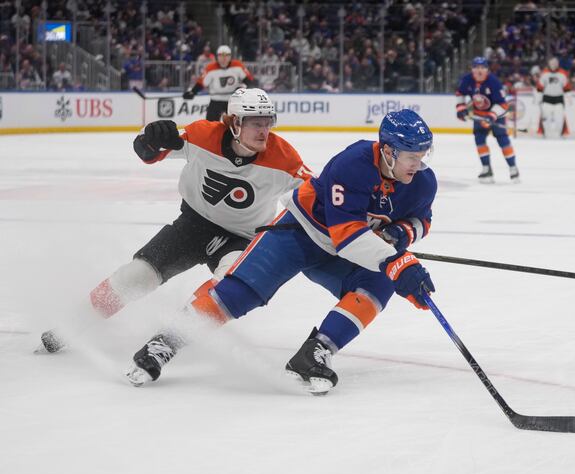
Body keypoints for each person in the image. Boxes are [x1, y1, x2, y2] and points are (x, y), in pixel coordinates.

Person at [125, 109, 438, 395]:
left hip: (343, 252)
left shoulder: (423, 182)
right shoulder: (354, 163)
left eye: (423, 155)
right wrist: (397, 261)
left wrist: (401, 234)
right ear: (387, 151)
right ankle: (163, 343)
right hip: (300, 233)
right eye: (412, 156)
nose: (419, 163)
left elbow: (422, 220)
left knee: (378, 284)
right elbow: (346, 235)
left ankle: (316, 352)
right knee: (238, 293)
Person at [37, 88, 310, 353]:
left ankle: (168, 342)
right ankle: (72, 325)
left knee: (227, 287)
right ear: (235, 123)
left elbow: (315, 192)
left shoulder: (284, 157)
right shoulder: (204, 135)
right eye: (256, 123)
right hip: (193, 226)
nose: (264, 131)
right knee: (136, 276)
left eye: (268, 122)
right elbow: (151, 152)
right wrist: (149, 141)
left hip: (241, 238)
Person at [455, 56, 519, 184]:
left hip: (497, 116)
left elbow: (503, 105)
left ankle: (513, 168)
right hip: (479, 116)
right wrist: (460, 108)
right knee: (479, 140)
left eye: (482, 68)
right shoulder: (467, 79)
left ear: (487, 70)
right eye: (476, 67)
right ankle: (486, 168)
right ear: (472, 69)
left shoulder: (494, 82)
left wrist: (491, 116)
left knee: (503, 140)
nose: (479, 71)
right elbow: (460, 93)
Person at [183, 45, 256, 121]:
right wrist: (192, 92)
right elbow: (201, 83)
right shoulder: (210, 68)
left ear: (230, 56)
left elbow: (249, 80)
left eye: (226, 55)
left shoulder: (238, 65)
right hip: (215, 101)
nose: (224, 58)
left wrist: (242, 87)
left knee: (233, 125)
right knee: (210, 125)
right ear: (217, 57)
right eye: (221, 55)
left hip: (232, 101)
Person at [536, 57, 572, 138]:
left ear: (558, 64)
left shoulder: (563, 73)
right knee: (546, 119)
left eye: (555, 63)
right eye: (552, 63)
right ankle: (545, 134)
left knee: (559, 119)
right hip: (546, 99)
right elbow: (539, 87)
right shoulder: (544, 73)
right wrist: (538, 98)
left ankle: (560, 135)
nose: (553, 65)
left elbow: (567, 87)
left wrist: (569, 97)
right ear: (549, 64)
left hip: (559, 99)